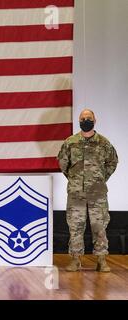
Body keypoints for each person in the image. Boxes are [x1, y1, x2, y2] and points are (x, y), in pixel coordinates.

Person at [57, 109, 118, 272]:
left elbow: (112, 162)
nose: (86, 120)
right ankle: (75, 260)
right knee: (75, 226)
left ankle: (101, 260)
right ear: (79, 121)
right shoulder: (70, 142)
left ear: (95, 120)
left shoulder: (103, 143)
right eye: (83, 118)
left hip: (97, 193)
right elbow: (63, 164)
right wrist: (75, 179)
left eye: (88, 118)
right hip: (76, 194)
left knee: (99, 225)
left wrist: (100, 178)